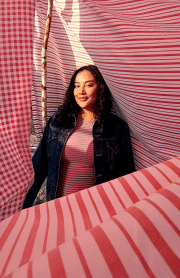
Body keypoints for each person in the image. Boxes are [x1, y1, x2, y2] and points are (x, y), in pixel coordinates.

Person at [23, 65, 135, 208]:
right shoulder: (57, 122)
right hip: (57, 207)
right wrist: (22, 208)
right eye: (77, 86)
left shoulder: (116, 127)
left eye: (89, 85)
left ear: (101, 89)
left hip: (98, 209)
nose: (81, 91)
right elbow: (38, 169)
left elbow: (126, 175)